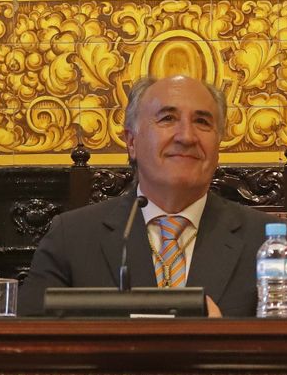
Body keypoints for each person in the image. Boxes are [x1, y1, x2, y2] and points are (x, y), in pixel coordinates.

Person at [22, 75, 270, 317]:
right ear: (131, 142)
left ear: (218, 144)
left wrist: (224, 340)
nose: (186, 137)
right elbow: (28, 342)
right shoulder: (72, 237)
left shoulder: (265, 242)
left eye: (203, 122)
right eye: (168, 119)